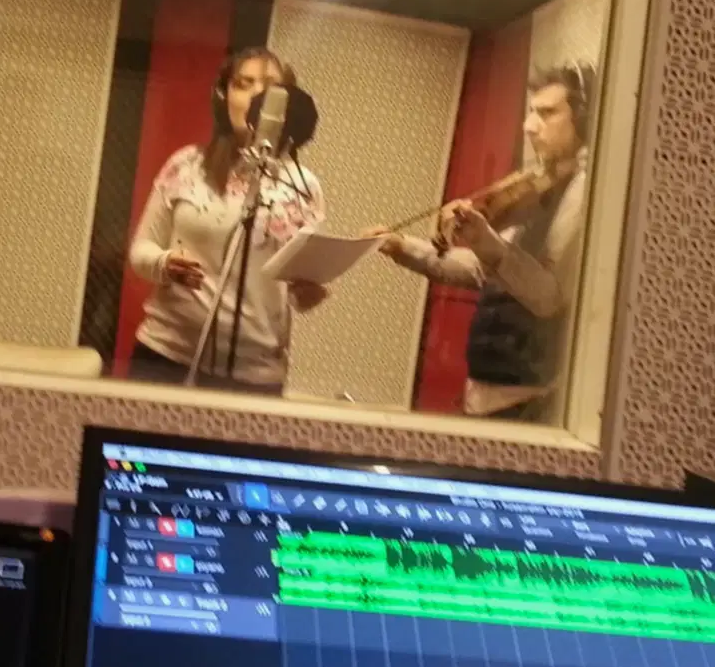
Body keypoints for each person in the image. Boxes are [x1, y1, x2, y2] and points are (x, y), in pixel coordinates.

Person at [369, 63, 596, 421]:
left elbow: (548, 298)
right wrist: (403, 247)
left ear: (583, 119)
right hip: (486, 385)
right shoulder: (541, 186)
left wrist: (487, 242)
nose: (529, 126)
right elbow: (483, 268)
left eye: (547, 113)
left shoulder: (585, 192)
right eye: (531, 111)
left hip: (532, 397)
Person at [127, 46, 327, 395]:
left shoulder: (304, 187)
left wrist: (310, 292)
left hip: (256, 375)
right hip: (165, 357)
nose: (256, 95)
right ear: (224, 97)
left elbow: (301, 297)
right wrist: (164, 263)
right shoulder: (187, 166)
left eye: (269, 87)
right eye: (243, 84)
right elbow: (141, 249)